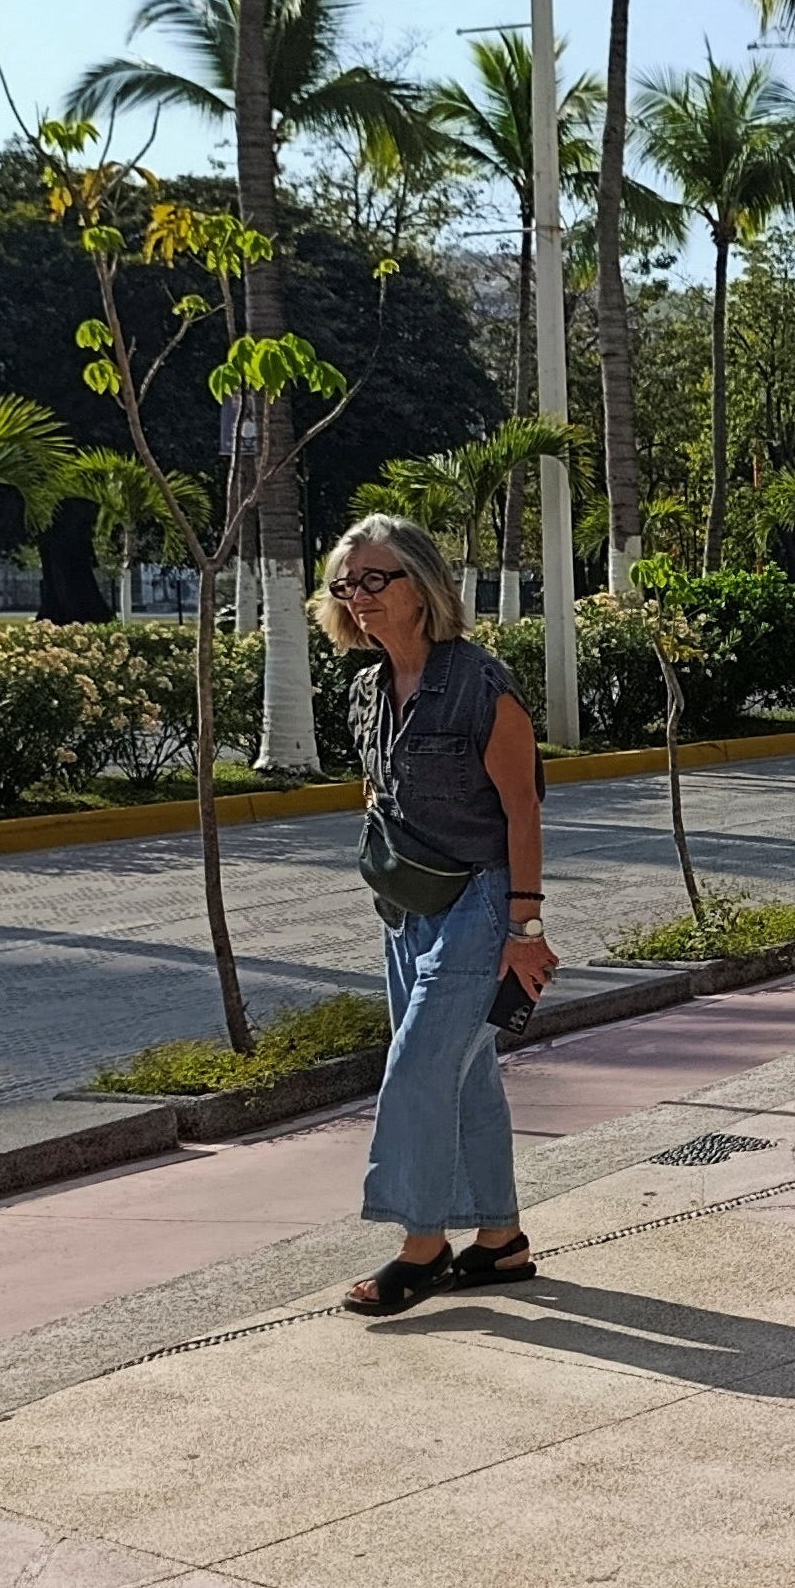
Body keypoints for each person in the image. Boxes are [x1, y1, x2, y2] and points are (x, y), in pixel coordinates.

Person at [320, 514, 558, 1315]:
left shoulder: (481, 685)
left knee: (419, 1065)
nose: (359, 598)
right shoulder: (365, 690)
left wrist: (524, 931)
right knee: (466, 1076)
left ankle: (420, 1248)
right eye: (345, 585)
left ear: (421, 587)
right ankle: (499, 1241)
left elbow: (522, 809)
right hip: (407, 906)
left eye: (375, 580)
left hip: (483, 900)